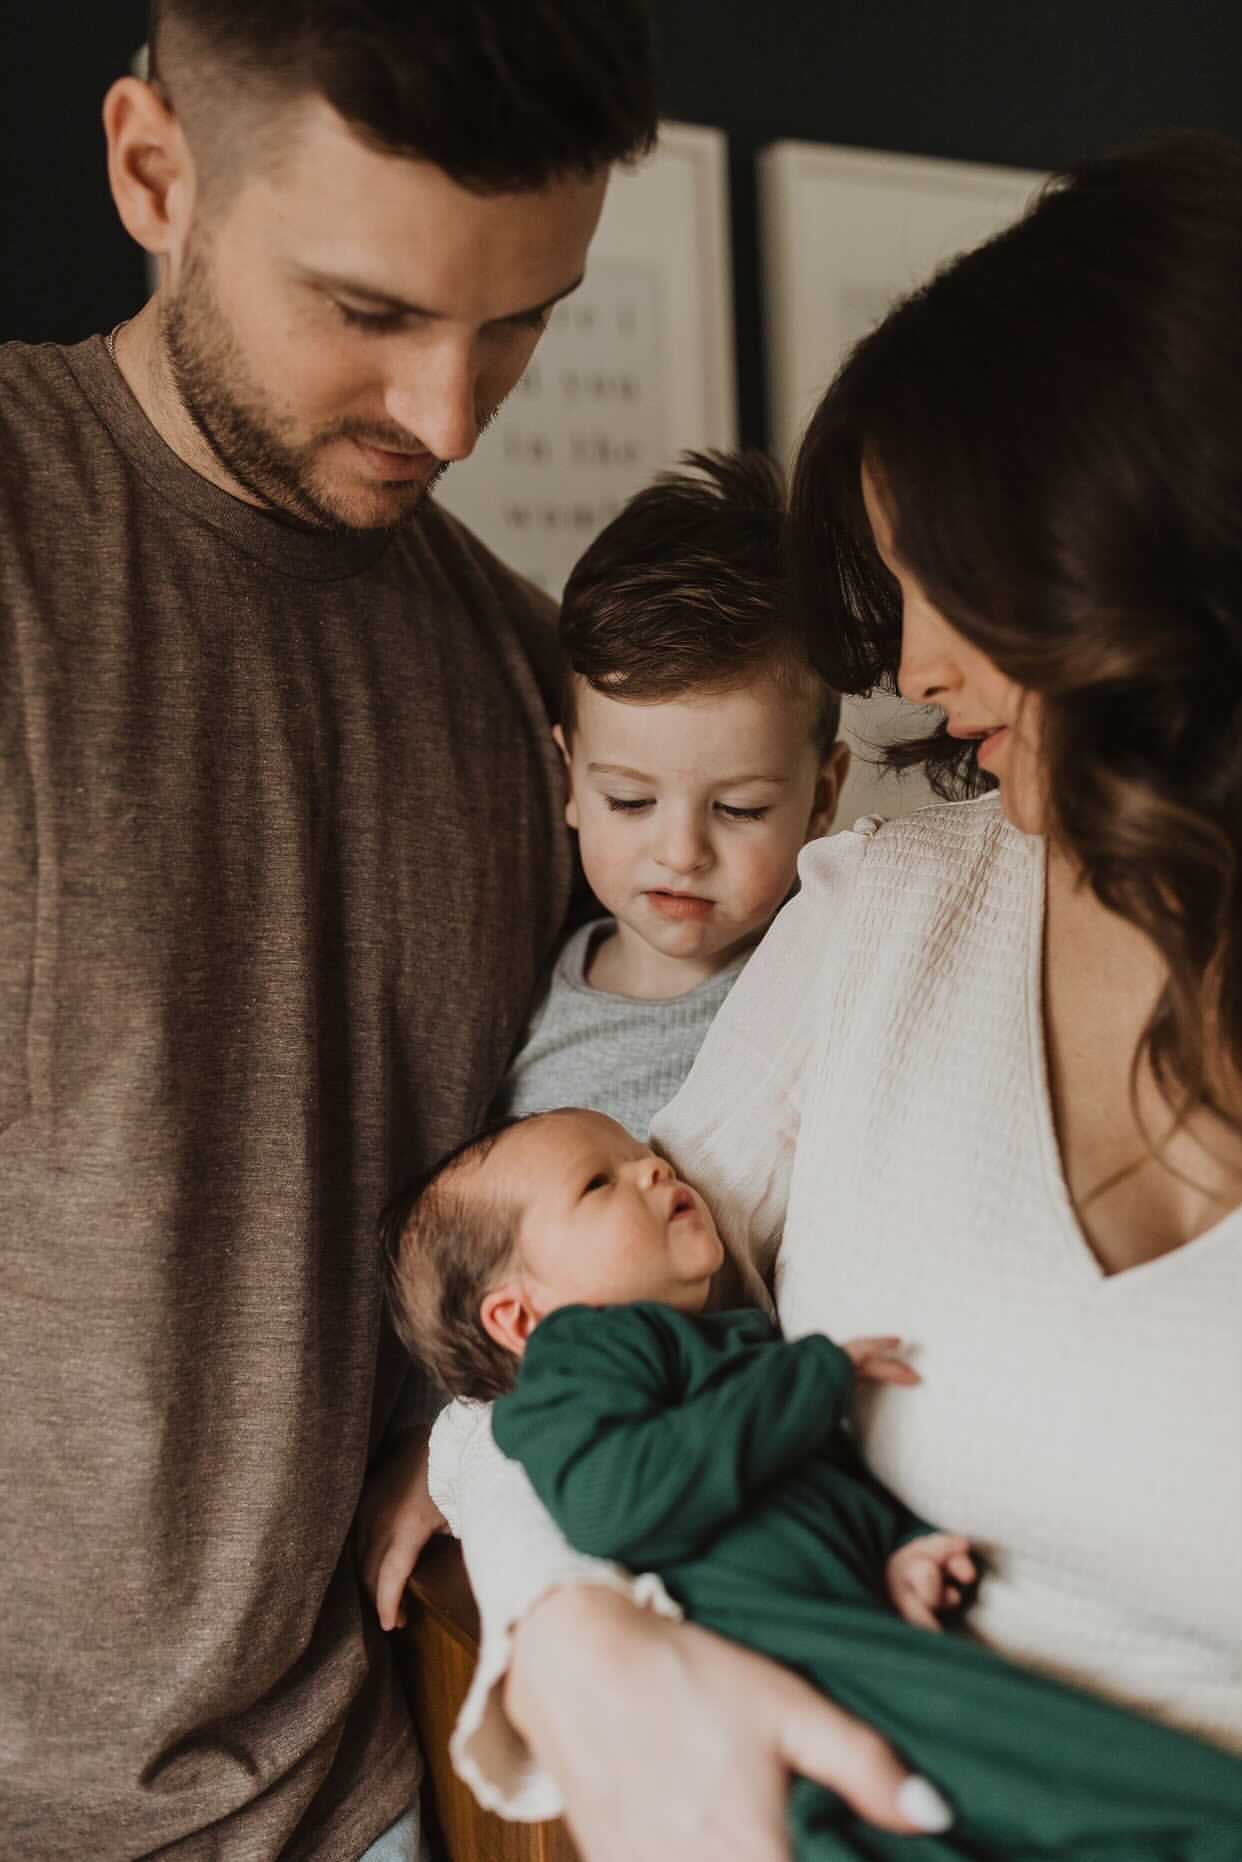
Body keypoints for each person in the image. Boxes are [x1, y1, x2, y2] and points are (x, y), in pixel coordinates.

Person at [393, 134, 1242, 1861]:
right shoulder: (894, 909)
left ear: (1133, 552)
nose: (911, 671)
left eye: (949, 582)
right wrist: (585, 1637)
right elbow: (531, 1389)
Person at [0, 3, 659, 1857]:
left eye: (520, 320)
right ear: (152, 170)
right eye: (371, 313)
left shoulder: (537, 689)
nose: (449, 415)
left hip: (348, 1795)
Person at [381, 1105, 1242, 1858]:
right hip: (781, 1672)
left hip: (847, 1653)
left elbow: (803, 1486)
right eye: (597, 1185)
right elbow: (615, 1504)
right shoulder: (584, 1356)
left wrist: (899, 1549)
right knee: (1119, 1791)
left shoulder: (726, 1345)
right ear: (522, 1317)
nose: (652, 1166)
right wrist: (811, 1377)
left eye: (642, 1152)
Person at [498, 448, 850, 1139]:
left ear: (821, 799)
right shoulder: (526, 1000)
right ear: (570, 779)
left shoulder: (825, 984)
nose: (682, 853)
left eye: (740, 808)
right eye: (630, 801)